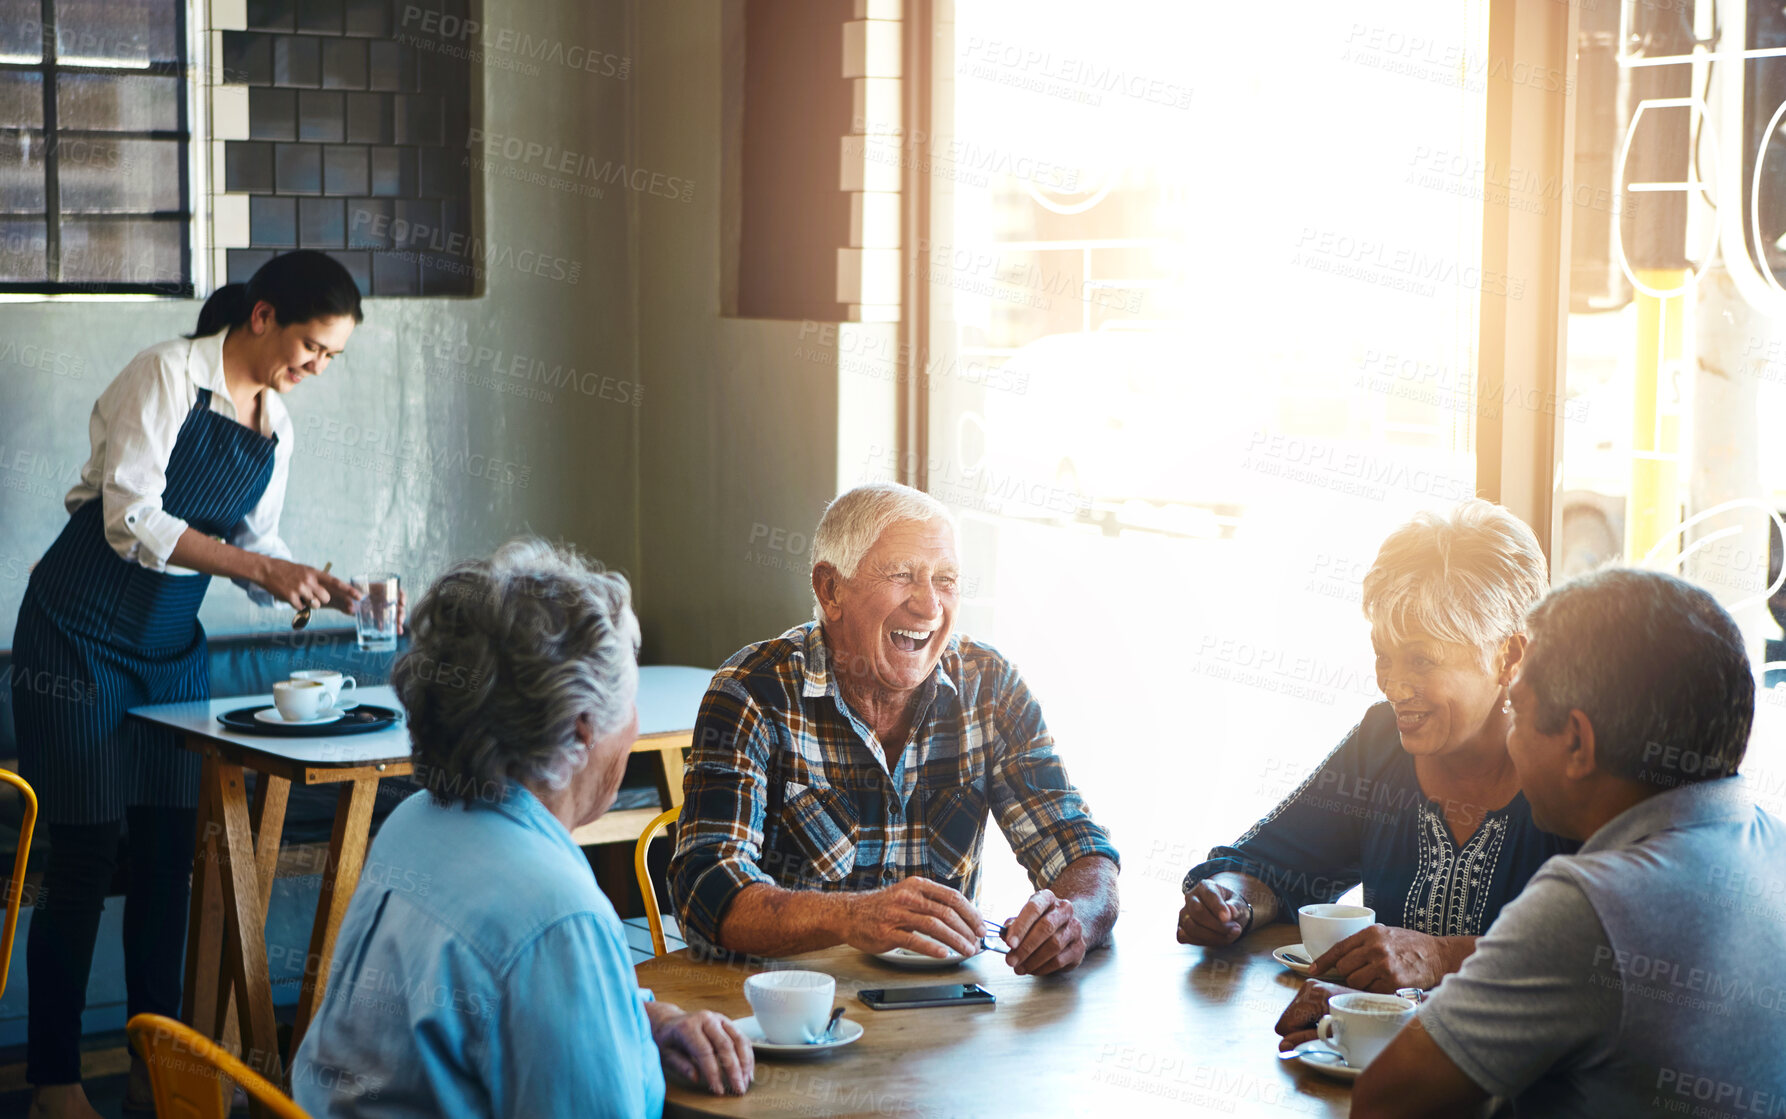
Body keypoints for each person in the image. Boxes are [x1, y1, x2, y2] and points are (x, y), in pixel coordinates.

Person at [13, 252, 369, 1119]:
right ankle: (55, 1082)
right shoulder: (166, 374)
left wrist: (305, 579)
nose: (316, 368)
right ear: (261, 317)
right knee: (88, 856)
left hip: (170, 650)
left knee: (174, 861)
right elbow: (129, 516)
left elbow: (255, 543)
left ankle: (157, 1067)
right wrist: (257, 563)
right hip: (75, 637)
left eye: (332, 356)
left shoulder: (275, 425)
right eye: (311, 346)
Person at [291, 540, 754, 1118]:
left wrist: (642, 1019)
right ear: (584, 728)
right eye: (630, 700)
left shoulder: (414, 823)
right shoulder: (557, 913)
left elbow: (507, 1000)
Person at [1315, 568, 1786, 1118]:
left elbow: (1388, 1104)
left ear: (1578, 744)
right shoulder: (1771, 848)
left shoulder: (1591, 903)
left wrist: (1360, 1013)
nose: (1507, 737)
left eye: (1516, 709)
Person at [669, 482, 1120, 977]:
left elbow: (1078, 848)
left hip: (947, 1012)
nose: (929, 607)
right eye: (903, 575)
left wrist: (1071, 920)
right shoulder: (753, 690)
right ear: (831, 589)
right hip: (792, 1014)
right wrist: (850, 917)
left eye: (946, 579)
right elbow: (704, 886)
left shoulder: (990, 685)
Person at [1178, 501, 1577, 991]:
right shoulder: (1381, 742)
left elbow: (1615, 951)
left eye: (1422, 661)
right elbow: (1267, 865)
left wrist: (1443, 956)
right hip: (1378, 1056)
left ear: (1508, 656)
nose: (1394, 686)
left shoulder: (1571, 766)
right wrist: (1231, 901)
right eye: (1383, 657)